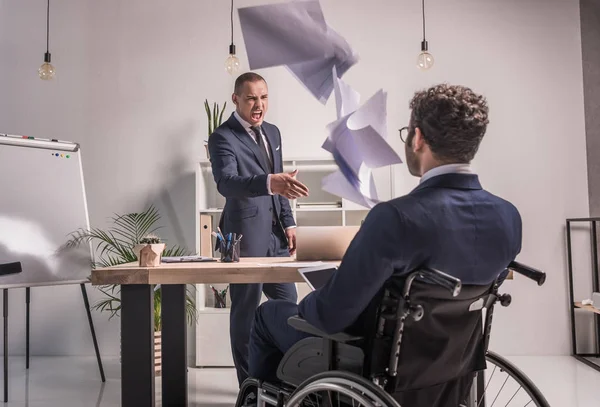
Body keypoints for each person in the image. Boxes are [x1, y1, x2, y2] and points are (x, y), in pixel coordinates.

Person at [245, 83, 523, 386]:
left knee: (266, 315)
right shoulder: (508, 218)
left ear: (417, 138)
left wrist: (310, 301)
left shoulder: (395, 218)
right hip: (454, 365)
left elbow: (329, 315)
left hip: (377, 360)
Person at [208, 72, 310, 386]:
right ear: (236, 99)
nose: (259, 104)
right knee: (245, 315)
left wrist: (289, 222)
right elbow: (227, 184)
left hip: (276, 237)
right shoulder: (222, 137)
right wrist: (270, 182)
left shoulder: (273, 132)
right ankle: (248, 387)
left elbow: (280, 184)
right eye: (251, 97)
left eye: (263, 97)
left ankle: (287, 382)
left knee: (290, 309)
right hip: (242, 238)